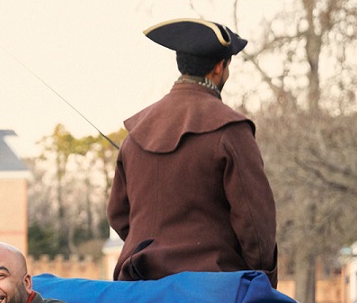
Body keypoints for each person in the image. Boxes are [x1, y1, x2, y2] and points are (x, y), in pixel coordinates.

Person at [107, 18, 278, 286]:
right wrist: (262, 281)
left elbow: (119, 217)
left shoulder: (135, 135)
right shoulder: (231, 130)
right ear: (220, 67)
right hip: (213, 291)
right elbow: (256, 231)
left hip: (137, 288)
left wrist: (153, 249)